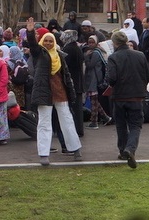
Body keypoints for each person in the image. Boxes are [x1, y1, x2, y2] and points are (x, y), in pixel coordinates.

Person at [26, 17, 82, 166]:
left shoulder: (60, 56)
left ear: (55, 43)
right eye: (46, 41)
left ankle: (75, 149)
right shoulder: (39, 54)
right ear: (42, 42)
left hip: (60, 91)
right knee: (44, 123)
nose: (48, 43)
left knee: (67, 120)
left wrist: (71, 92)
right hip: (44, 92)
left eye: (51, 41)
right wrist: (30, 32)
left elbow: (67, 75)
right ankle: (43, 154)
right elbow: (32, 44)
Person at [107, 31, 149, 169]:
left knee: (121, 124)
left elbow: (111, 79)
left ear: (114, 43)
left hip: (119, 96)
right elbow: (147, 75)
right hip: (137, 96)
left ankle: (123, 150)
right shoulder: (140, 55)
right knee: (135, 125)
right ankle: (130, 149)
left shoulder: (113, 57)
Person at [83, 35, 112, 129]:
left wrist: (86, 57)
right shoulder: (97, 52)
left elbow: (90, 66)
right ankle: (106, 117)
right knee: (94, 100)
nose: (90, 44)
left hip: (94, 79)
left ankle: (94, 122)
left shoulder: (95, 53)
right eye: (89, 42)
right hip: (93, 79)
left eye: (92, 42)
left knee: (94, 101)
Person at [60, 29, 85, 136]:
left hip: (73, 82)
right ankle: (79, 129)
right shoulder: (77, 48)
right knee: (77, 108)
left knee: (74, 109)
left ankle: (76, 130)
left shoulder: (68, 49)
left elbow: (65, 66)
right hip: (78, 81)